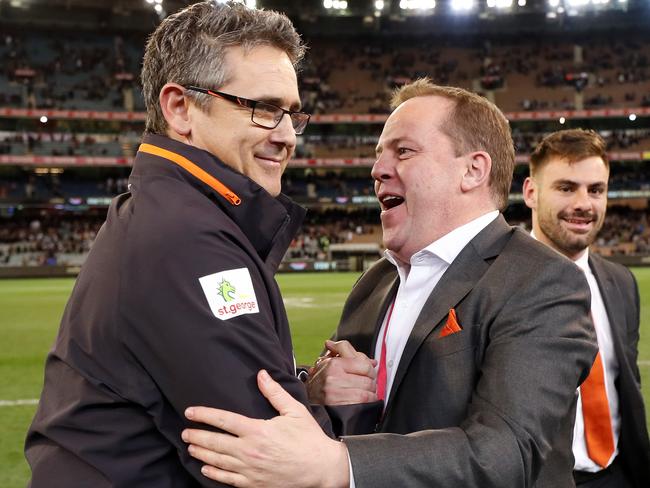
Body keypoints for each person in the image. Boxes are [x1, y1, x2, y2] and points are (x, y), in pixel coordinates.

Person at [181, 79, 599, 488]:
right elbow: (351, 412)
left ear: (473, 170)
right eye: (380, 155)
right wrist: (317, 387)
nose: (378, 170)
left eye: (404, 152)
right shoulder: (376, 282)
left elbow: (507, 453)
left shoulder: (541, 281)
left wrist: (339, 465)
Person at [24, 2, 352, 486]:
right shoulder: (188, 238)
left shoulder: (174, 214)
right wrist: (355, 415)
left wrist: (305, 387)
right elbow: (268, 457)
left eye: (292, 114)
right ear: (179, 107)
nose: (286, 137)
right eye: (263, 109)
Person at [522, 129, 650, 488]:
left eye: (596, 190)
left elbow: (622, 383)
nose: (584, 203)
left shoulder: (620, 282)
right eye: (566, 187)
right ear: (531, 192)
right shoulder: (495, 281)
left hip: (618, 474)